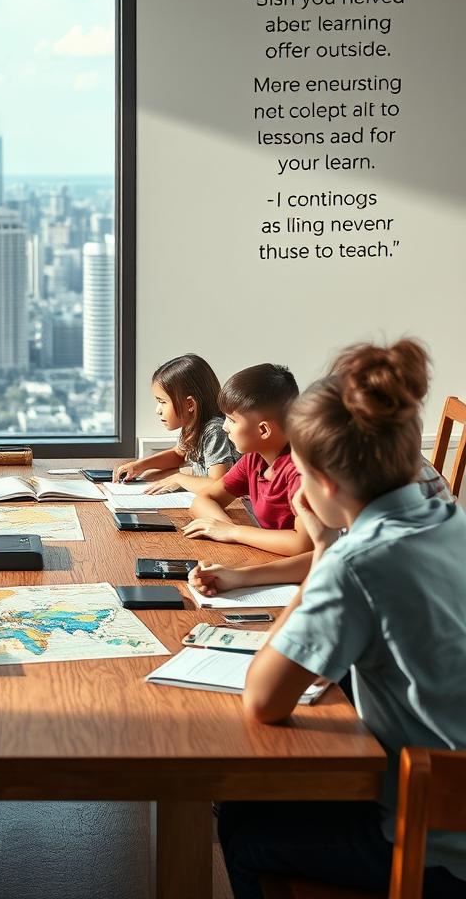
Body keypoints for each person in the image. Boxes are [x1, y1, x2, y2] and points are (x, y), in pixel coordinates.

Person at [219, 339, 466, 898]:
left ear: (323, 484)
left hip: (433, 847)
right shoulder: (452, 521)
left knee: (241, 820)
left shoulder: (356, 561)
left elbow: (263, 699)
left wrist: (324, 555)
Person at [182, 363, 312, 557]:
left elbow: (303, 544)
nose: (224, 427)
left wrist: (234, 532)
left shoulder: (298, 471)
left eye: (232, 420)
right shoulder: (253, 459)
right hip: (269, 559)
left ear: (263, 430)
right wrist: (224, 528)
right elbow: (203, 500)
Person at [113, 354, 237, 492]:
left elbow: (219, 484)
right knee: (151, 477)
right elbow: (178, 455)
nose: (157, 410)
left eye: (162, 402)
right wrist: (140, 465)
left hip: (234, 503)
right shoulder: (192, 426)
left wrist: (178, 478)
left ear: (190, 404)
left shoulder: (214, 430)